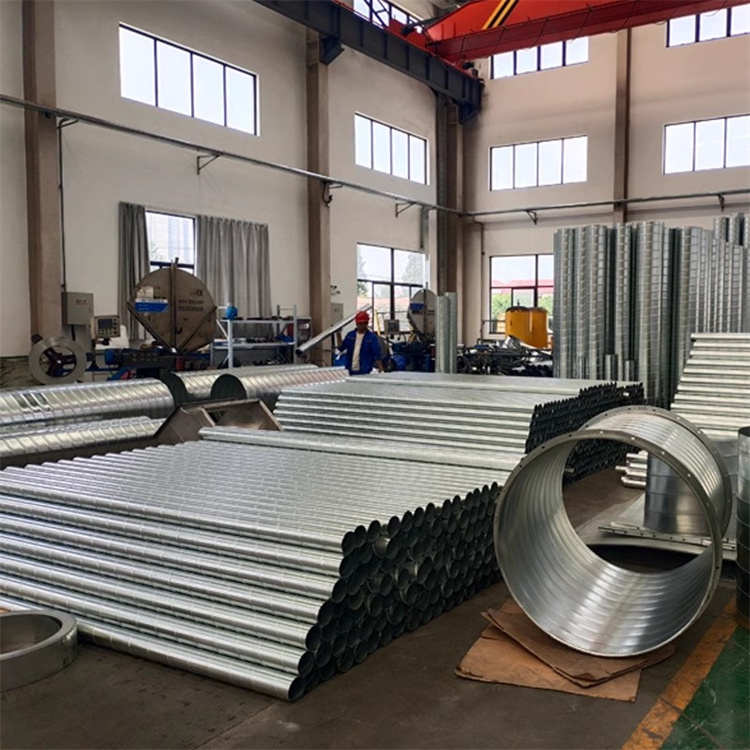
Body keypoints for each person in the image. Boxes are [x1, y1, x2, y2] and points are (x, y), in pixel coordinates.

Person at [337, 311, 384, 375]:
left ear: (366, 323)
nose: (359, 326)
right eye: (358, 324)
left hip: (365, 371)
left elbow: (377, 354)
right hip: (351, 370)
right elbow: (341, 347)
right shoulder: (350, 336)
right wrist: (338, 334)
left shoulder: (371, 338)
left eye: (362, 324)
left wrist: (381, 369)